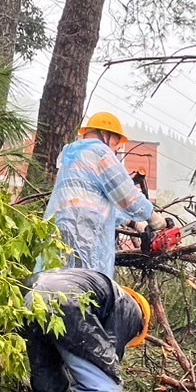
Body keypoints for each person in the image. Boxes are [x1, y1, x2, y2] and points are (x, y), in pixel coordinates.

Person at [44, 111, 161, 276]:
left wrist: (135, 224)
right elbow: (126, 194)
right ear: (104, 133)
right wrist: (153, 217)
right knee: (88, 282)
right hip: (85, 230)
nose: (118, 147)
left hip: (58, 227)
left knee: (61, 279)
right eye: (117, 140)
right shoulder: (100, 153)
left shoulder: (71, 157)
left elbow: (98, 204)